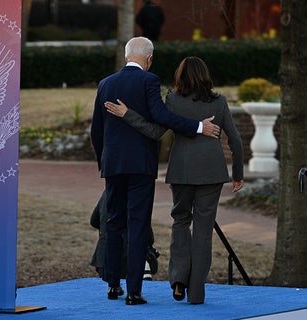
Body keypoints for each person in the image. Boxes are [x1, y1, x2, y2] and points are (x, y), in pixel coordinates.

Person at [90, 37, 220, 305]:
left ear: (127, 56)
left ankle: (113, 285)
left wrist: (104, 161)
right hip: (140, 165)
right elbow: (162, 117)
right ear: (149, 58)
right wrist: (198, 127)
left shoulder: (105, 83)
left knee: (113, 222)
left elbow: (97, 130)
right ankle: (134, 291)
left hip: (113, 165)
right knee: (137, 224)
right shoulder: (149, 81)